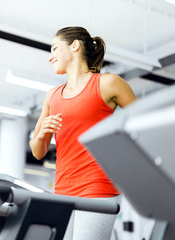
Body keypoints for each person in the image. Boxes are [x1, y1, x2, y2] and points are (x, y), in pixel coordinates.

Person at [29, 26, 137, 240]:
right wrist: (41, 135)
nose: (51, 57)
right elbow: (37, 152)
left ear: (75, 46)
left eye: (54, 49)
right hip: (61, 190)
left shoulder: (108, 83)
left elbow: (145, 123)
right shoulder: (52, 95)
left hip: (98, 188)